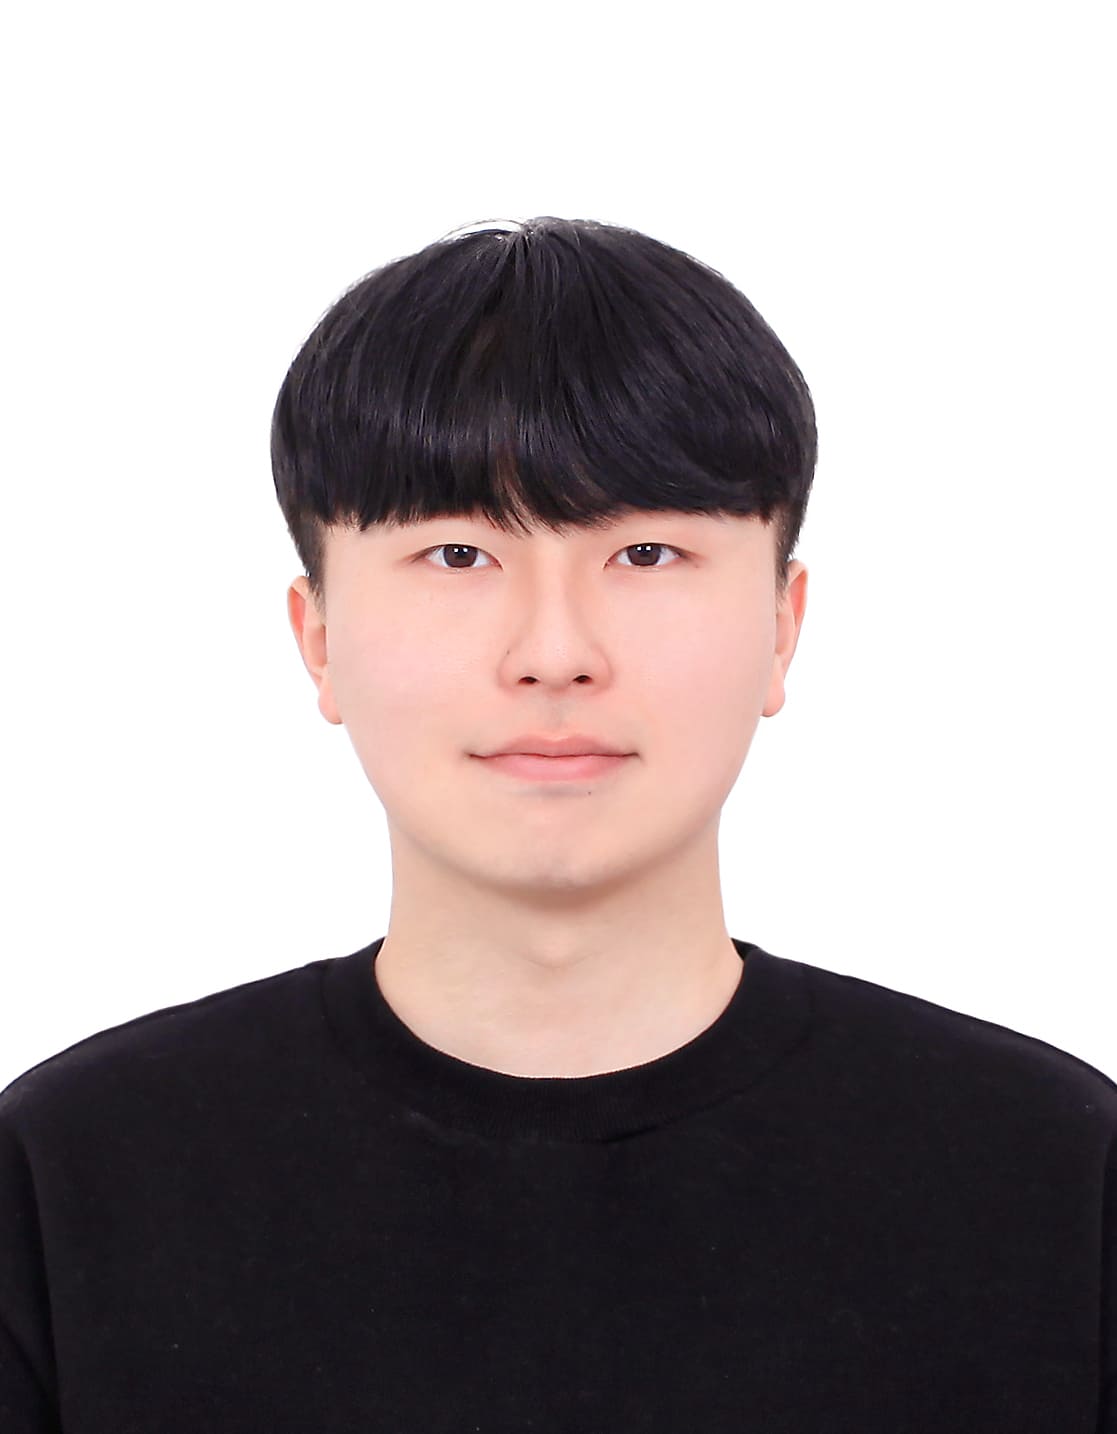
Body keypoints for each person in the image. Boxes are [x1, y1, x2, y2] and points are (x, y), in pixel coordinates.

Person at [1, 215, 1113, 1431]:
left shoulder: (1051, 1175)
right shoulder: (71, 1179)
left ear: (782, 627)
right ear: (317, 639)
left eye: (645, 552)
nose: (553, 652)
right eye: (456, 555)